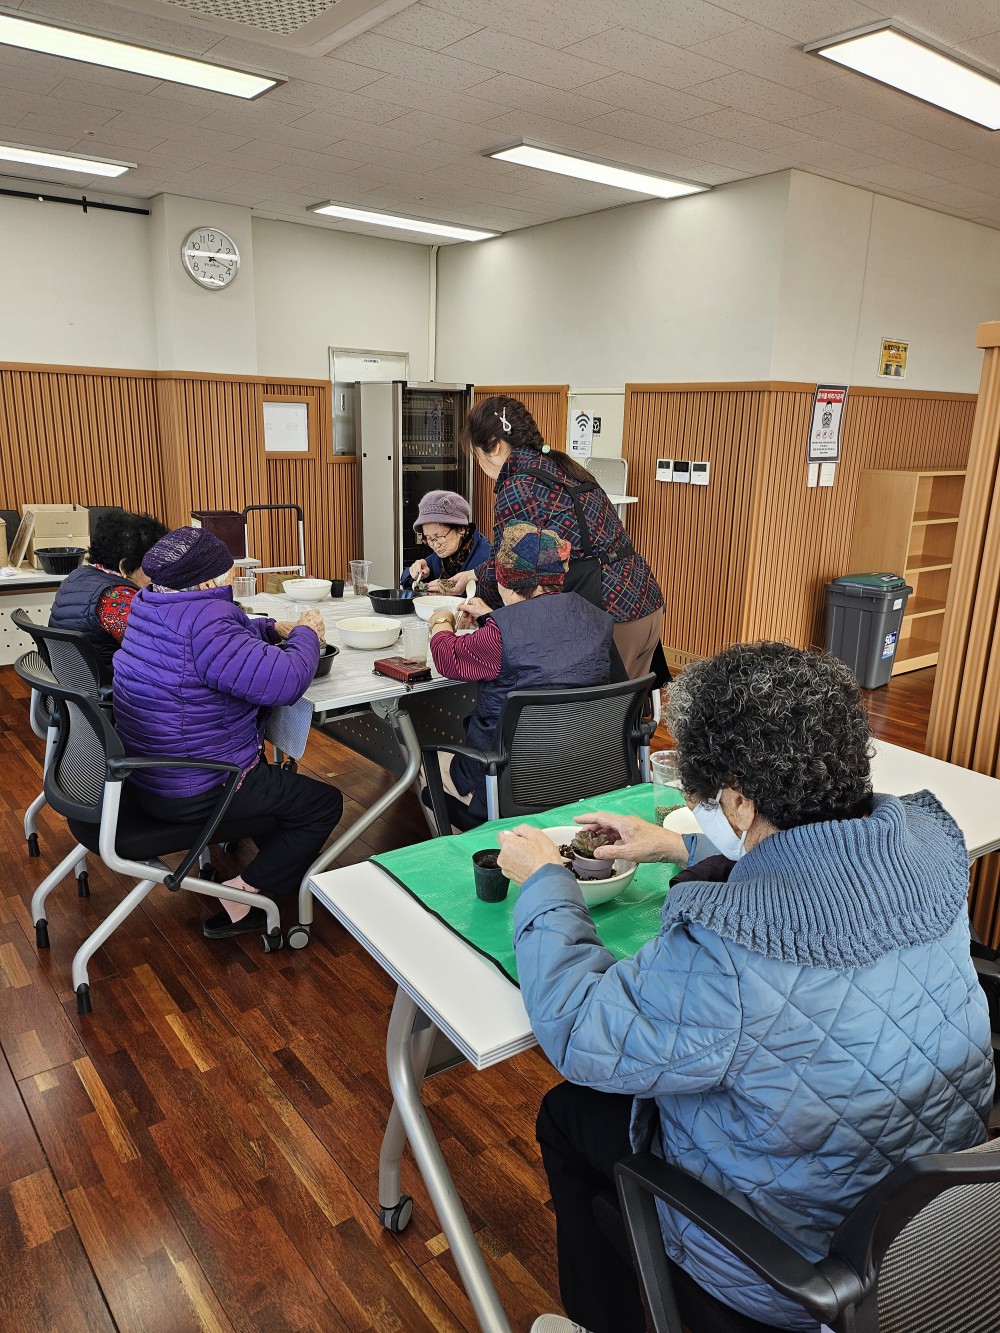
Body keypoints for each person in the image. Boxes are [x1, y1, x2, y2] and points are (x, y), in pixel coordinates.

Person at [497, 641, 994, 1333]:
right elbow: (821, 864)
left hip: (793, 1276)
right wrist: (679, 845)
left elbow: (580, 1028)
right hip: (935, 1229)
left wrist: (547, 880)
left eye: (700, 797)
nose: (695, 806)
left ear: (736, 800)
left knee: (567, 1112)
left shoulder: (728, 947)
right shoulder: (933, 846)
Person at [112, 526, 343, 939]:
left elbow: (214, 641)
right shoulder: (207, 623)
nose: (232, 578)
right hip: (201, 784)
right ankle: (245, 892)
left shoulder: (149, 605)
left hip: (147, 773)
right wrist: (307, 633)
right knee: (323, 803)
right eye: (228, 572)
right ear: (205, 583)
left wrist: (271, 628)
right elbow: (287, 680)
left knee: (278, 791)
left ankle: (284, 864)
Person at [460, 395, 664, 679]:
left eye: (476, 454)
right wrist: (471, 574)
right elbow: (547, 551)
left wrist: (480, 607)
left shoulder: (519, 484)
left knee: (595, 707)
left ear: (494, 445)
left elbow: (511, 569)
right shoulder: (562, 467)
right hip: (644, 599)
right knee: (628, 704)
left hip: (607, 612)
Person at [426, 522, 614, 824]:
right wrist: (492, 617)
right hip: (581, 771)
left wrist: (441, 621)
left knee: (425, 765)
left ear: (508, 584)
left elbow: (448, 658)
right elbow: (544, 640)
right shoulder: (597, 619)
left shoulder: (499, 635)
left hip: (507, 780)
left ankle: (479, 844)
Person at [48, 509, 167, 684]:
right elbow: (157, 650)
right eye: (153, 567)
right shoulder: (117, 597)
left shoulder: (78, 576)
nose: (158, 575)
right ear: (125, 567)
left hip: (75, 683)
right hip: (113, 686)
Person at [399, 489, 490, 592]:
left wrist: (455, 592)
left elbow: (493, 597)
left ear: (461, 529)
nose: (435, 545)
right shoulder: (440, 556)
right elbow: (406, 579)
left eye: (439, 537)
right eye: (428, 538)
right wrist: (415, 574)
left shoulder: (486, 556)